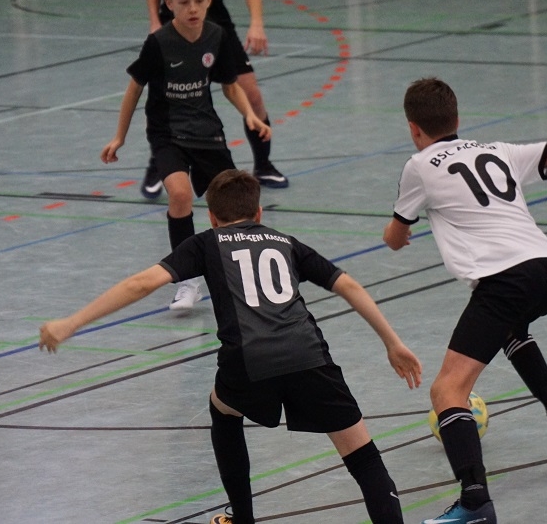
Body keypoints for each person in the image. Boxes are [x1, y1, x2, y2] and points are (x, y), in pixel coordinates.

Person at [40, 169, 423, 524]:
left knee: (223, 410)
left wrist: (71, 323)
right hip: (307, 355)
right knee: (362, 456)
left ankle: (243, 517)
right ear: (259, 211)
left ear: (211, 216)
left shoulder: (206, 243)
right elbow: (349, 285)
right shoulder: (285, 242)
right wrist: (393, 343)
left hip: (247, 360)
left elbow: (140, 284)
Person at [382, 78, 547, 524]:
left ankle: (475, 502)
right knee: (509, 328)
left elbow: (395, 236)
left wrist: (396, 234)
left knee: (447, 390)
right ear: (458, 118)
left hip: (504, 280)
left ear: (414, 128)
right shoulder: (497, 149)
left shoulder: (420, 166)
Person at [101, 0, 270, 310]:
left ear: (209, 0)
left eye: (198, 1)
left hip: (206, 132)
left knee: (233, 203)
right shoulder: (159, 43)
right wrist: (119, 137)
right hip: (168, 133)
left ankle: (240, 272)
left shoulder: (216, 36)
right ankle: (188, 282)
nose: (192, 8)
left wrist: (250, 115)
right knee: (179, 194)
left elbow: (230, 86)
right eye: (183, 2)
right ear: (168, 3)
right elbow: (134, 90)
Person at [142, 0, 289, 188]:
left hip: (218, 27)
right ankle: (160, 164)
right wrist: (154, 22)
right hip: (177, 30)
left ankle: (263, 166)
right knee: (173, 103)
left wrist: (257, 24)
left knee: (253, 97)